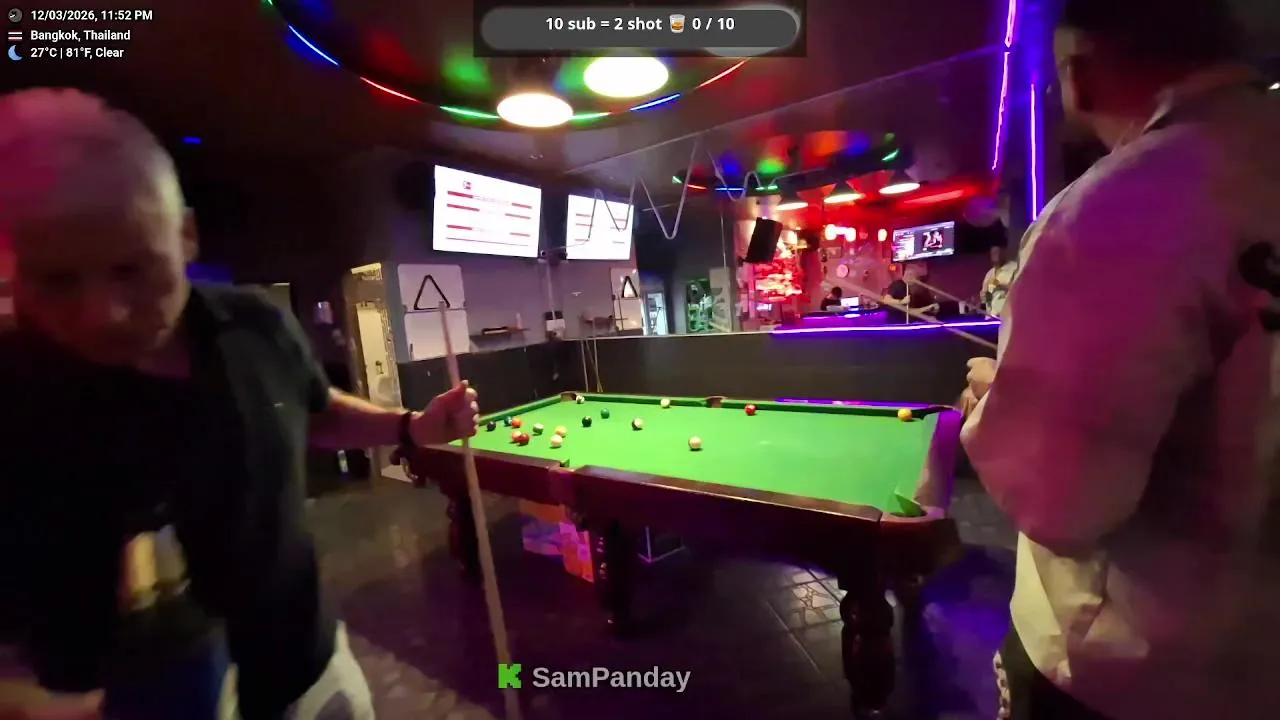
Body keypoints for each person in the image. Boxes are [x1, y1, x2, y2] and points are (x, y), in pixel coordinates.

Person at [0, 89, 480, 719]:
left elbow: (311, 410)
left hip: (312, 668)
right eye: (57, 280)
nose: (103, 313)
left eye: (133, 269)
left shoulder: (256, 324)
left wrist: (412, 427)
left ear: (186, 236)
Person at [959, 1, 1280, 718]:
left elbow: (1058, 501)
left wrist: (998, 398)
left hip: (1132, 672)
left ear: (1078, 68)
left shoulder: (1116, 207)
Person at [980, 245, 1018, 316]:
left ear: (1003, 252)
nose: (995, 255)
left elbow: (1018, 289)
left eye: (997, 252)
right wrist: (983, 295)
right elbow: (984, 297)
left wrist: (999, 284)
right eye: (993, 253)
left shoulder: (1014, 268)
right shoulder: (990, 273)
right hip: (992, 315)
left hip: (1008, 315)